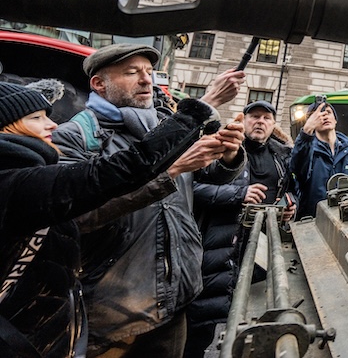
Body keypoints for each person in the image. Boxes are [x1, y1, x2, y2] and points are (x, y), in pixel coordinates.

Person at [0, 79, 222, 358]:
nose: (52, 124)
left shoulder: (25, 175)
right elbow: (118, 171)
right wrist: (194, 114)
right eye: (36, 118)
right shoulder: (16, 182)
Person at [52, 44, 247, 358]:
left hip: (176, 299)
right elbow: (78, 215)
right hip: (113, 313)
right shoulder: (74, 136)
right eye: (132, 73)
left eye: (149, 72)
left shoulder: (166, 125)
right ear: (99, 84)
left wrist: (228, 154)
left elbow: (211, 175)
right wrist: (172, 170)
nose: (146, 80)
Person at [183, 100, 296, 358]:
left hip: (258, 248)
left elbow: (288, 191)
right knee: (203, 320)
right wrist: (239, 194)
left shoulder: (281, 157)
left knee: (246, 315)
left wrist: (290, 205)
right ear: (243, 121)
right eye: (254, 116)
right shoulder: (224, 148)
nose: (260, 122)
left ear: (273, 125)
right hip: (217, 244)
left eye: (266, 118)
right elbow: (191, 189)